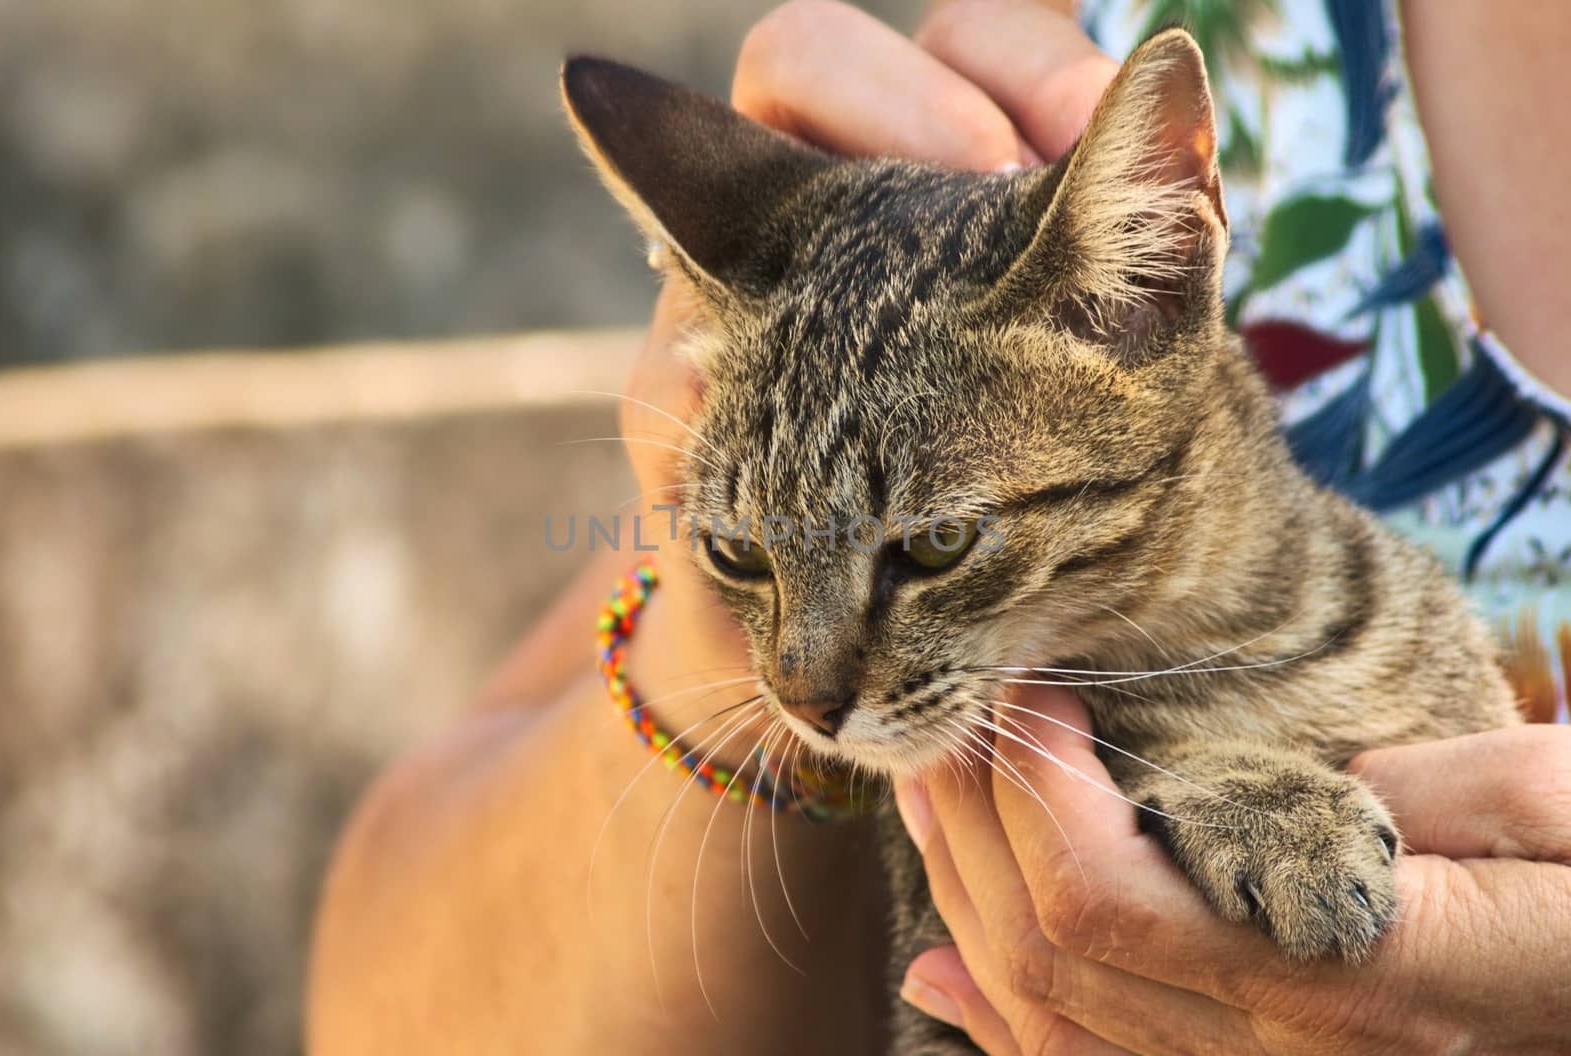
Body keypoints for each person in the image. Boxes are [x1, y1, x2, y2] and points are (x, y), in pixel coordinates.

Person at [306, 1, 1571, 1052]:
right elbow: (372, 1016)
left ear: (1149, 293)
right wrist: (699, 660)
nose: (805, 684)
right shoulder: (1163, 32)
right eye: (743, 556)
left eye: (927, 549)